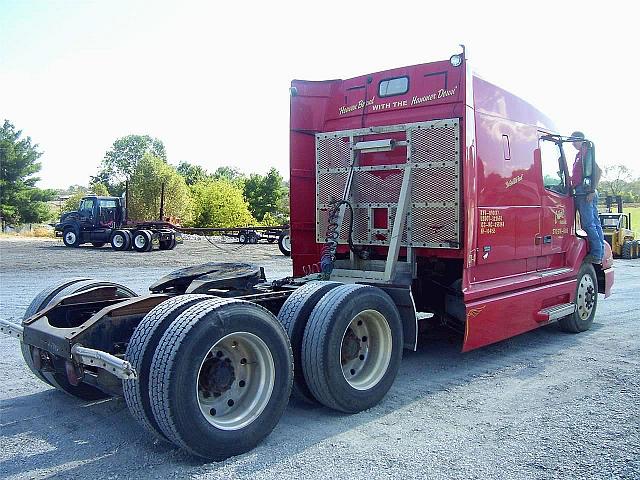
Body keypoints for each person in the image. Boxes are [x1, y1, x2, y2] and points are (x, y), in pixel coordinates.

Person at [569, 131, 604, 264]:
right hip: (583, 190)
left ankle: (596, 253)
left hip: (585, 191)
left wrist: (591, 190)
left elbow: (598, 170)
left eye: (574, 141)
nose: (572, 144)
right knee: (595, 223)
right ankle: (599, 251)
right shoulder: (580, 155)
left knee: (588, 224)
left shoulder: (585, 153)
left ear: (580, 140)